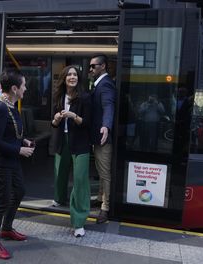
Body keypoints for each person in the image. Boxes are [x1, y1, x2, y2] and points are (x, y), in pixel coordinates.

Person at [0, 69, 35, 259]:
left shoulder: (11, 104)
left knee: (19, 191)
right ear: (14, 88)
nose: (26, 88)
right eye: (23, 85)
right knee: (2, 200)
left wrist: (23, 141)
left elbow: (11, 132)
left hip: (10, 159)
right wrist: (19, 150)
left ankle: (6, 229)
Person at [51, 65, 91, 237]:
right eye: (69, 74)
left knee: (80, 180)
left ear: (78, 78)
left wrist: (73, 116)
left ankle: (79, 222)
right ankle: (59, 198)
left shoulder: (85, 97)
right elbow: (52, 123)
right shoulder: (58, 96)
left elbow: (88, 122)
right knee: (60, 172)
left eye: (75, 74)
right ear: (64, 78)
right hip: (62, 141)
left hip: (81, 143)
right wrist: (57, 118)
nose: (72, 77)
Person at [89, 54, 116, 224]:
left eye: (93, 66)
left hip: (103, 137)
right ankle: (100, 197)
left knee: (105, 173)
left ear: (103, 66)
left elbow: (108, 105)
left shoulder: (105, 84)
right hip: (97, 137)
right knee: (100, 170)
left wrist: (106, 125)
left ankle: (105, 208)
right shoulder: (99, 83)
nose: (90, 69)